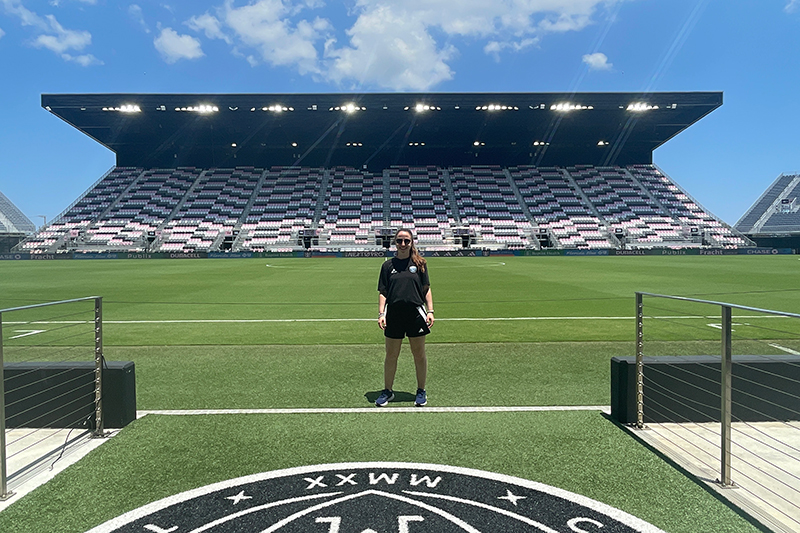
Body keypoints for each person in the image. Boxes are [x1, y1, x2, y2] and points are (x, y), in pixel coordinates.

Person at [376, 228, 434, 407]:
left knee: (419, 354)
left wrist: (430, 311)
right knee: (391, 355)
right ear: (395, 242)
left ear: (412, 242)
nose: (402, 244)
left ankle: (421, 390)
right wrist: (381, 313)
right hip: (394, 314)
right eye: (399, 241)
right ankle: (387, 391)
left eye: (406, 241)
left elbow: (426, 289)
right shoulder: (387, 266)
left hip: (416, 313)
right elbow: (383, 292)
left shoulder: (420, 264)